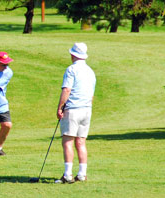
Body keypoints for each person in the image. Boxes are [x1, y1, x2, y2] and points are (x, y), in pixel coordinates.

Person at [56, 43, 96, 183]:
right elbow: (91, 95)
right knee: (81, 142)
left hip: (73, 109)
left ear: (73, 55)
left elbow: (66, 90)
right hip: (86, 110)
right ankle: (82, 174)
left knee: (68, 141)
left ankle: (67, 175)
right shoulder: (90, 71)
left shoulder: (71, 69)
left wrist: (60, 107)